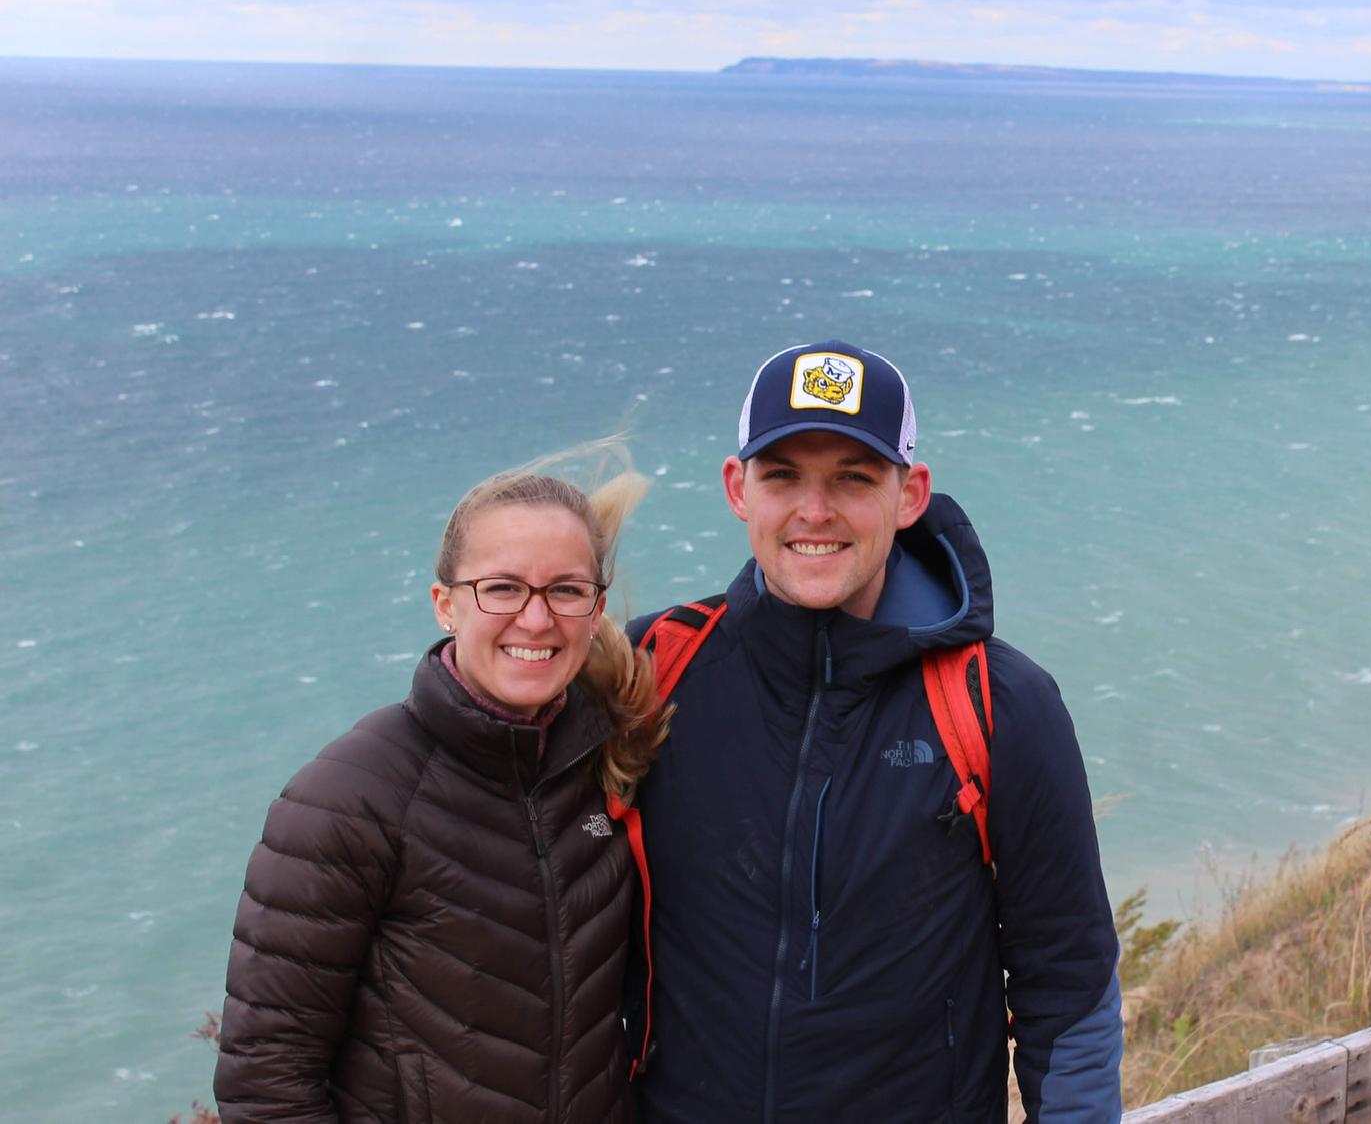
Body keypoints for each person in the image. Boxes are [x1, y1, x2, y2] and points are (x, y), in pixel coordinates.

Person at [626, 340, 1123, 1123]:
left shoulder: (1001, 704)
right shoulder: (652, 668)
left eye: (854, 479)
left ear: (911, 493)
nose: (814, 512)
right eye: (782, 475)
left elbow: (1071, 987)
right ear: (737, 488)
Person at [214, 451, 664, 1123]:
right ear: (446, 605)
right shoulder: (347, 799)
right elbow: (267, 1081)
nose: (536, 620)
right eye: (503, 588)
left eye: (565, 590)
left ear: (596, 607)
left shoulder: (608, 761)